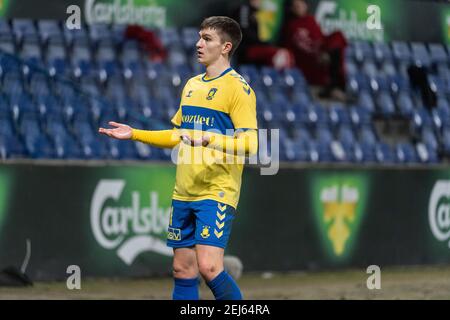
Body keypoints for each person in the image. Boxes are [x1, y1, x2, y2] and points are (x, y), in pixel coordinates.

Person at [98, 16, 258, 300]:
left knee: (209, 267)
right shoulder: (192, 85)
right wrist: (134, 133)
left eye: (207, 39)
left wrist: (209, 138)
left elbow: (251, 143)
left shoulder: (238, 88)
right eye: (199, 36)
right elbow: (178, 135)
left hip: (216, 190)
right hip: (184, 191)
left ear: (226, 47)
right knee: (183, 268)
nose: (198, 43)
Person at [281, 0, 348, 100]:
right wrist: (317, 54)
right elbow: (296, 47)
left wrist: (324, 52)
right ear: (291, 9)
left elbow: (319, 38)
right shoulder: (291, 26)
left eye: (301, 4)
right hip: (306, 60)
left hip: (322, 53)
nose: (299, 7)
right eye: (295, 6)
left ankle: (335, 85)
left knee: (338, 37)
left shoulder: (310, 20)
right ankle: (330, 87)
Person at [232, 0, 294, 69]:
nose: (260, 2)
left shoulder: (255, 12)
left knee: (285, 54)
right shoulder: (244, 9)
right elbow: (244, 31)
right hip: (244, 50)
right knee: (278, 53)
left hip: (254, 47)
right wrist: (261, 42)